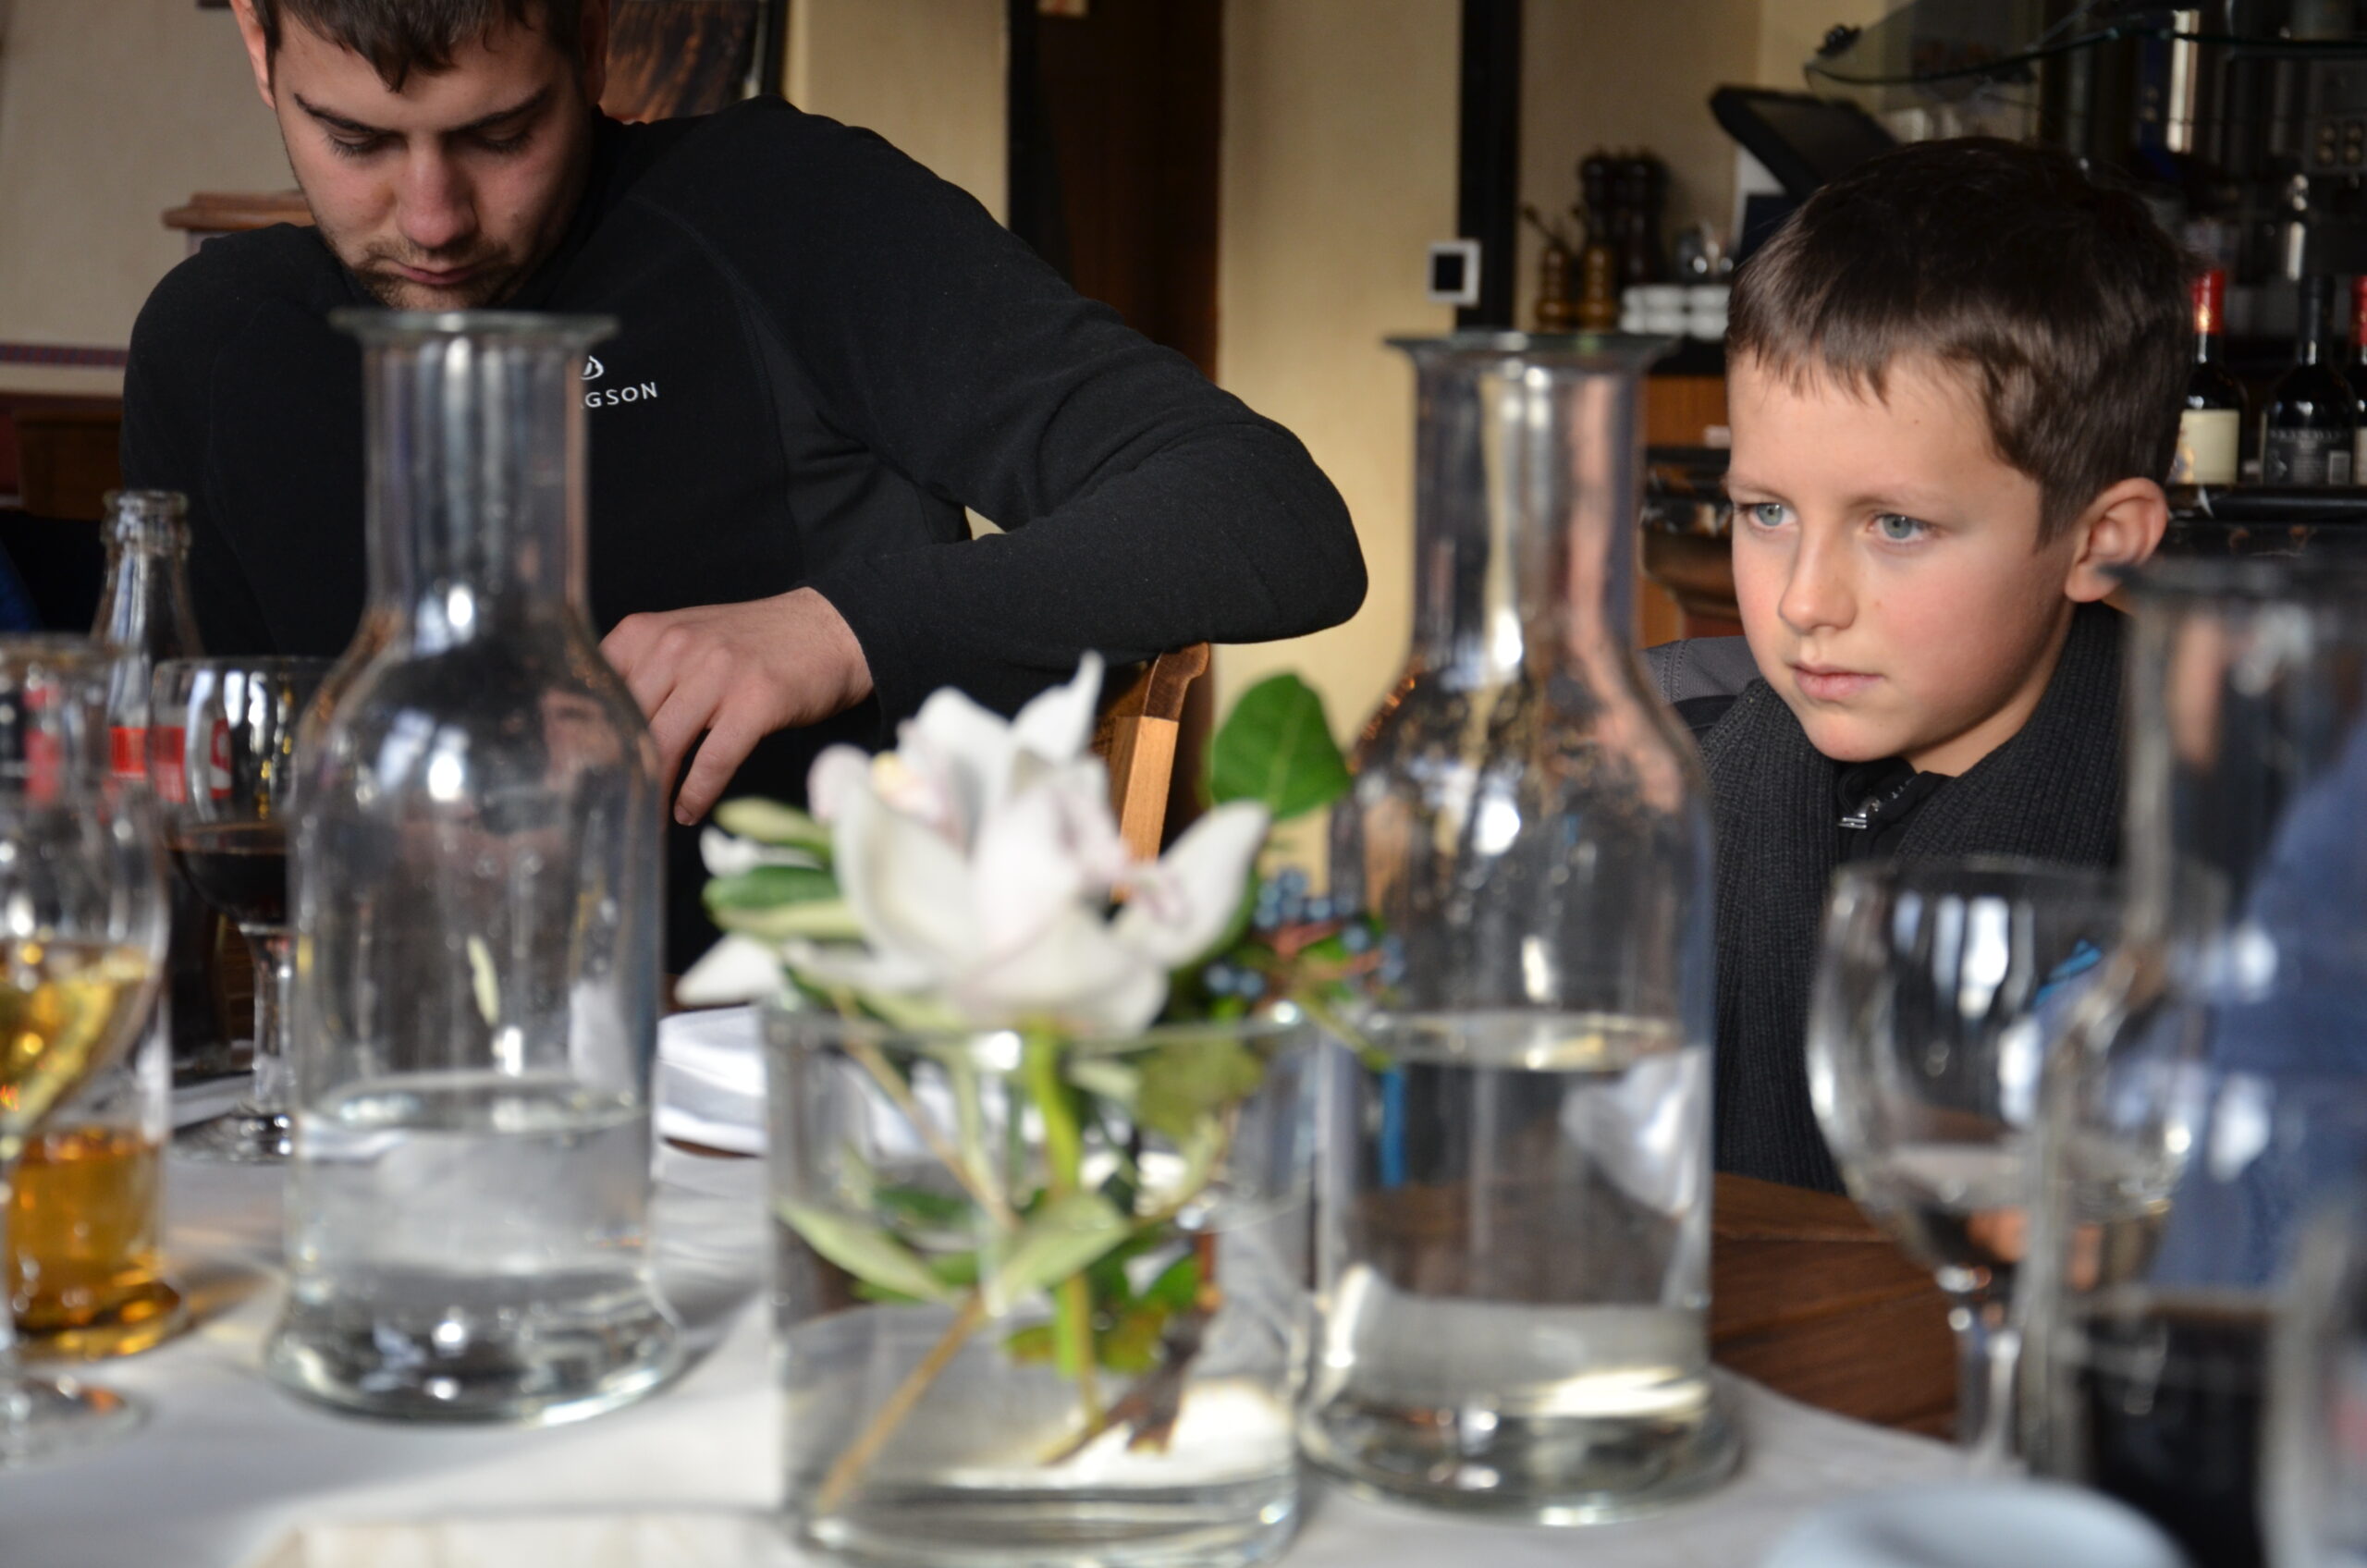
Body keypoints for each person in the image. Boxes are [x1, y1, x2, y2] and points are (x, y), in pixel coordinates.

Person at [121, 0, 1366, 965]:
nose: (435, 217)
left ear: (591, 38)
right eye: (356, 142)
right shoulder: (215, 341)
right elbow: (178, 819)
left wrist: (842, 627)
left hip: (818, 1063)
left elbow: (1267, 510)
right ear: (258, 44)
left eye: (501, 135)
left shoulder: (791, 212)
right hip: (390, 1082)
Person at [1645, 138, 2183, 1191]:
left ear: (2100, 540)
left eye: (1895, 524)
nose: (1804, 602)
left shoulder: (2228, 846)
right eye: (1764, 512)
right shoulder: (1653, 760)